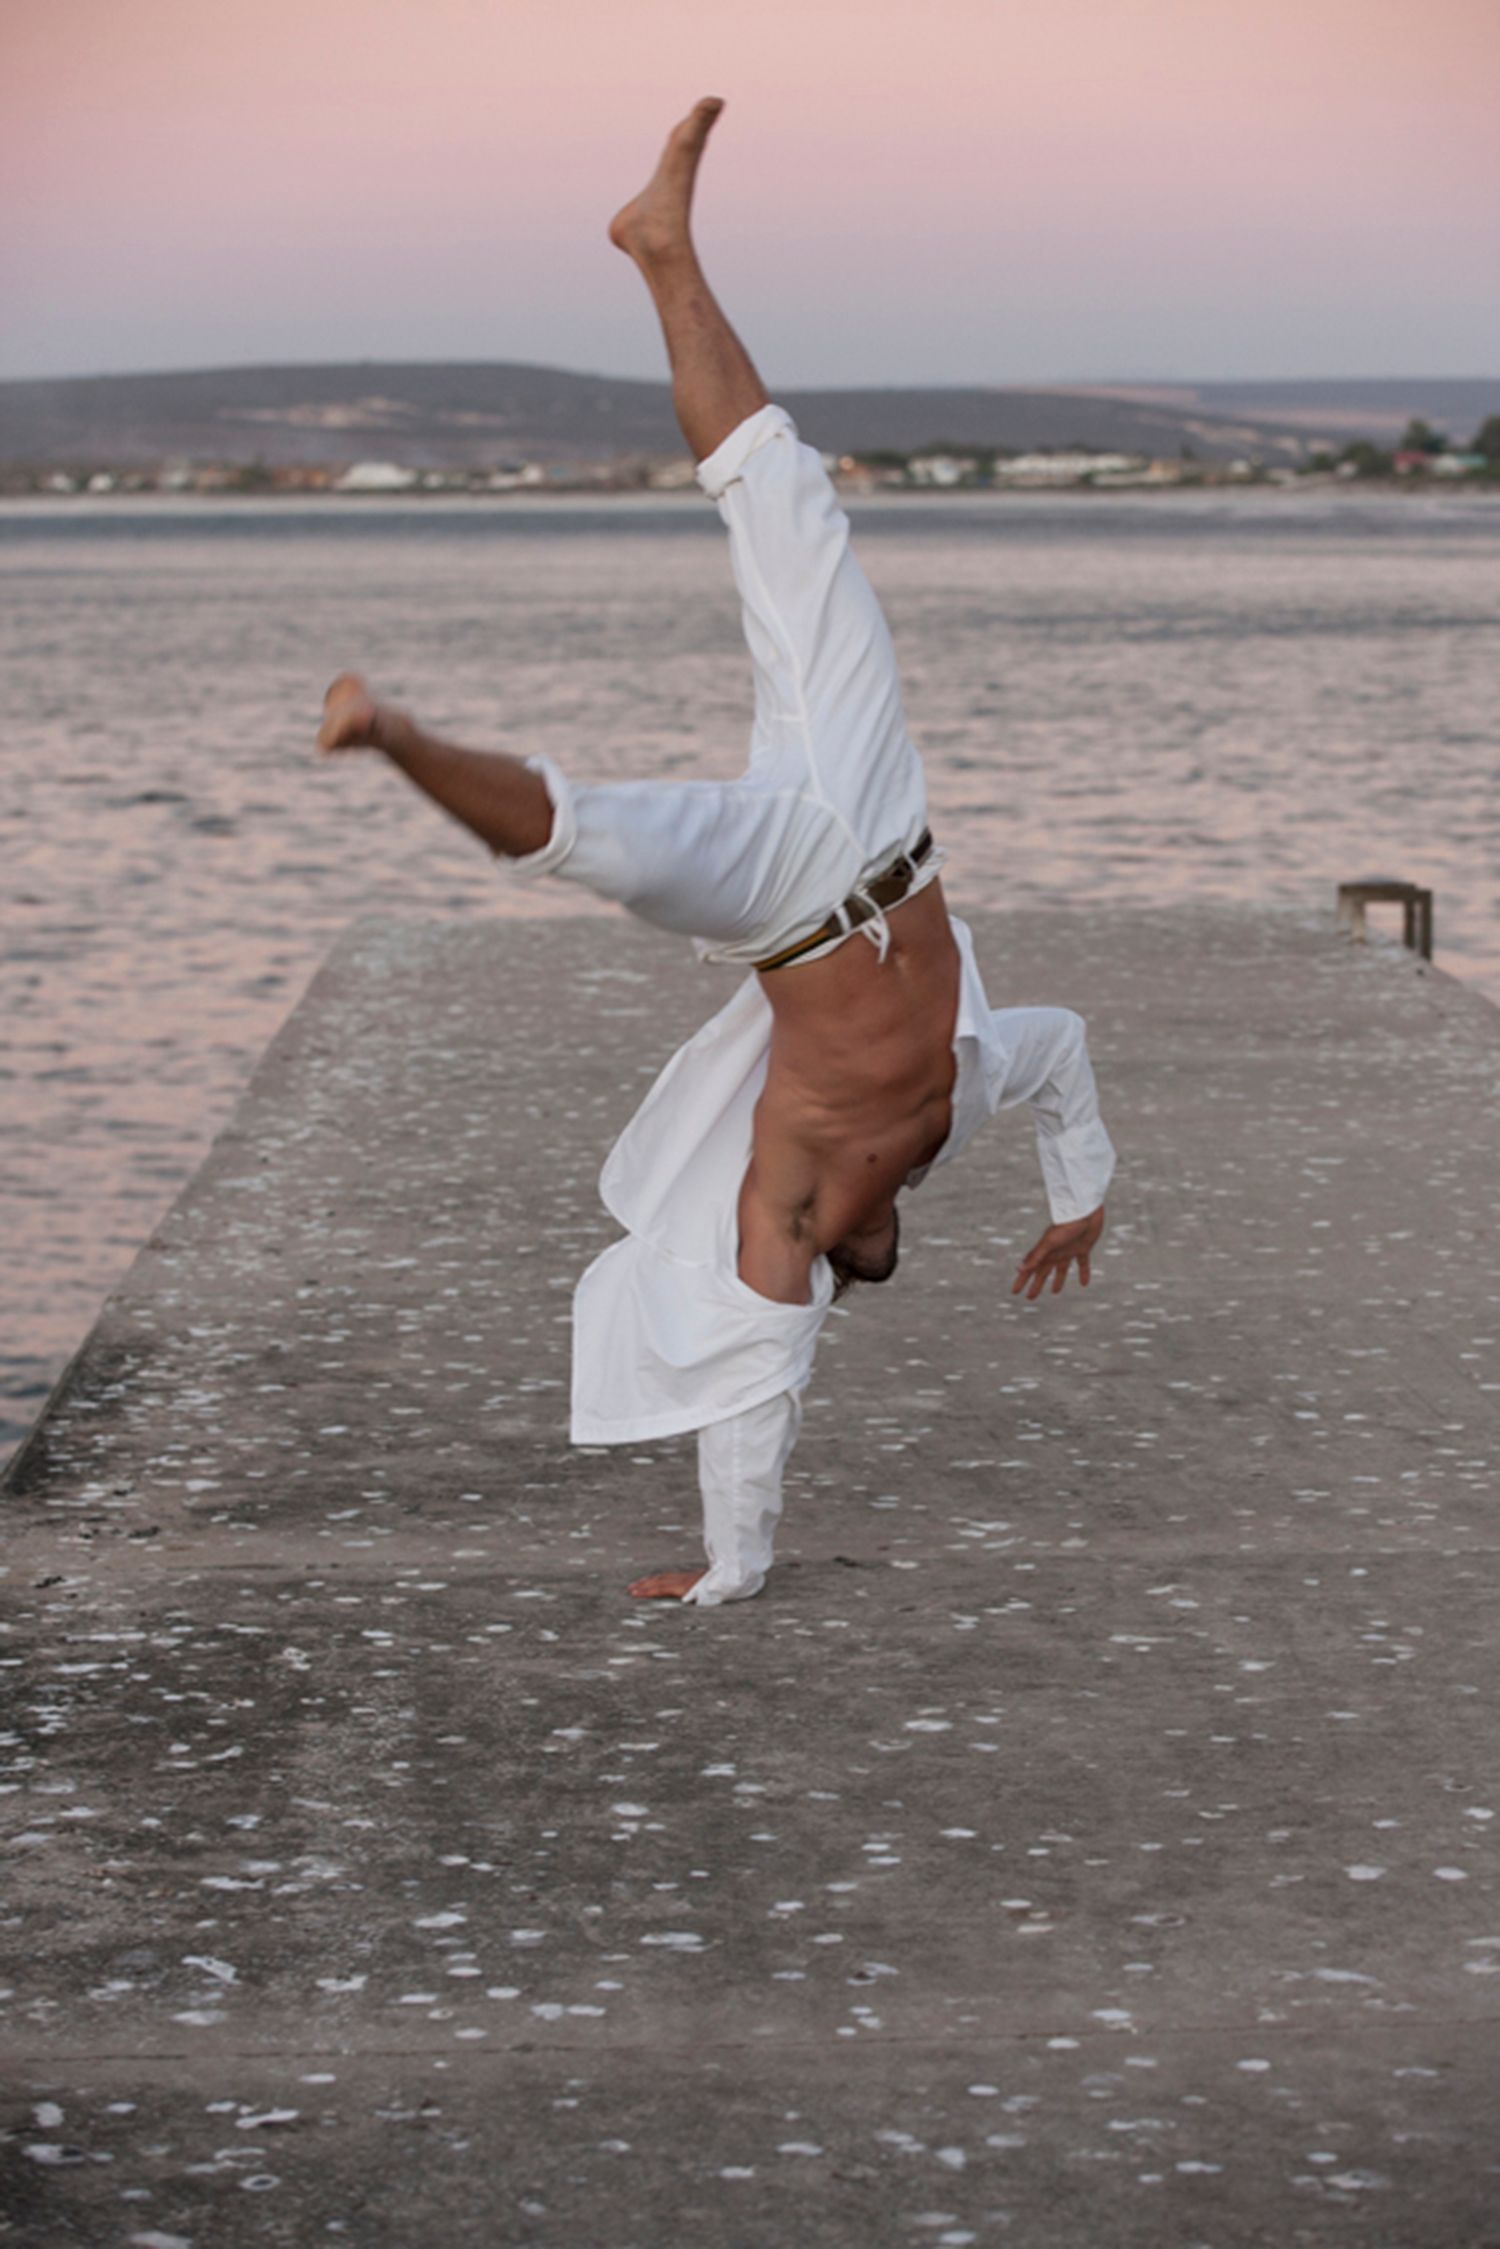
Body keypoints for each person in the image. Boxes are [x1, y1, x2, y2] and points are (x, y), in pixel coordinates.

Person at [317, 98, 1116, 1608]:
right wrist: (1084, 1189)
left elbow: (758, 1385)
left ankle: (396, 738)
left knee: (607, 837)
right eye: (881, 1244)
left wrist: (732, 1568)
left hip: (790, 899)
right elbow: (1064, 1049)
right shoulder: (957, 1101)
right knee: (790, 496)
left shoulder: (789, 1202)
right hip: (881, 824)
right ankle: (661, 246)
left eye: (852, 1255)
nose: (867, 1241)